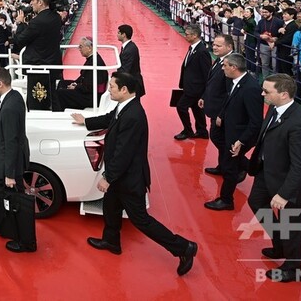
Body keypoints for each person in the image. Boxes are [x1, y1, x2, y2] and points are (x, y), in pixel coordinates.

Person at [71, 73, 197, 276]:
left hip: (129, 179)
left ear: (124, 90)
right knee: (110, 207)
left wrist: (108, 178)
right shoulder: (124, 107)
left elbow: (124, 152)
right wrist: (85, 122)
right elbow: (109, 119)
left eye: (112, 86)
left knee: (141, 220)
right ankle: (111, 241)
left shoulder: (133, 115)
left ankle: (183, 248)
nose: (108, 89)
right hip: (121, 177)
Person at [248, 74, 301, 283]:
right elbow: (265, 136)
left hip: (292, 182)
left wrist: (284, 194)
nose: (262, 94)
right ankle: (279, 244)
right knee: (256, 201)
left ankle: (293, 268)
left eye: (267, 91)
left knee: (292, 224)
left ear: (284, 94)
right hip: (269, 171)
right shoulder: (274, 108)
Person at [204, 53, 262, 211]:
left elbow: (256, 121)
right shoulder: (235, 81)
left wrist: (241, 141)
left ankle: (226, 199)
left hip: (238, 135)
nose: (222, 68)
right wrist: (221, 115)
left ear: (234, 67)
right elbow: (229, 99)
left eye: (225, 66)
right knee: (219, 142)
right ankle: (247, 166)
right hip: (229, 127)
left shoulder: (251, 89)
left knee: (230, 167)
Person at [0, 67, 33, 253]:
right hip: (3, 161)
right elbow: (1, 99)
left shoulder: (9, 109)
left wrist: (10, 174)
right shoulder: (14, 96)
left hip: (9, 163)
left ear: (0, 83)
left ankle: (27, 241)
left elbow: (11, 142)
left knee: (18, 202)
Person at [11, 0, 62, 111]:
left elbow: (19, 42)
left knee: (38, 100)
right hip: (52, 63)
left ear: (40, 2)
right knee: (52, 96)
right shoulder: (56, 17)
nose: (31, 3)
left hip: (38, 67)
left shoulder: (37, 22)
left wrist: (20, 24)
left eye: (33, 0)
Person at [199, 34, 233, 176]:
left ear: (229, 47)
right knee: (219, 139)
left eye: (219, 45)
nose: (214, 47)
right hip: (214, 106)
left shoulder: (230, 64)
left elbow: (230, 92)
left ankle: (239, 165)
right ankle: (222, 166)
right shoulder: (219, 61)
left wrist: (222, 114)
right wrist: (204, 97)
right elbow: (212, 81)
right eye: (214, 44)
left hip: (221, 111)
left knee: (218, 137)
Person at [174, 25, 211, 140]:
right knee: (196, 109)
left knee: (181, 106)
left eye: (188, 34)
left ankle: (188, 130)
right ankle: (202, 131)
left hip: (196, 88)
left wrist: (204, 93)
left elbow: (206, 73)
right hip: (191, 86)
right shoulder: (193, 48)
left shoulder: (202, 51)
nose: (186, 36)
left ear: (195, 35)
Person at [52, 36, 108, 111]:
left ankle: (58, 112)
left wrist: (76, 86)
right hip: (86, 90)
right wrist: (75, 83)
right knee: (62, 83)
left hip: (90, 97)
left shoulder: (95, 63)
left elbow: (90, 87)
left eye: (81, 47)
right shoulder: (92, 59)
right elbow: (83, 78)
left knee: (60, 93)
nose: (79, 49)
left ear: (89, 48)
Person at [117, 24, 145, 98]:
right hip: (131, 82)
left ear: (124, 35)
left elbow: (125, 69)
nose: (117, 35)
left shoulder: (129, 50)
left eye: (119, 33)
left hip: (133, 84)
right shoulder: (128, 47)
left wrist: (116, 78)